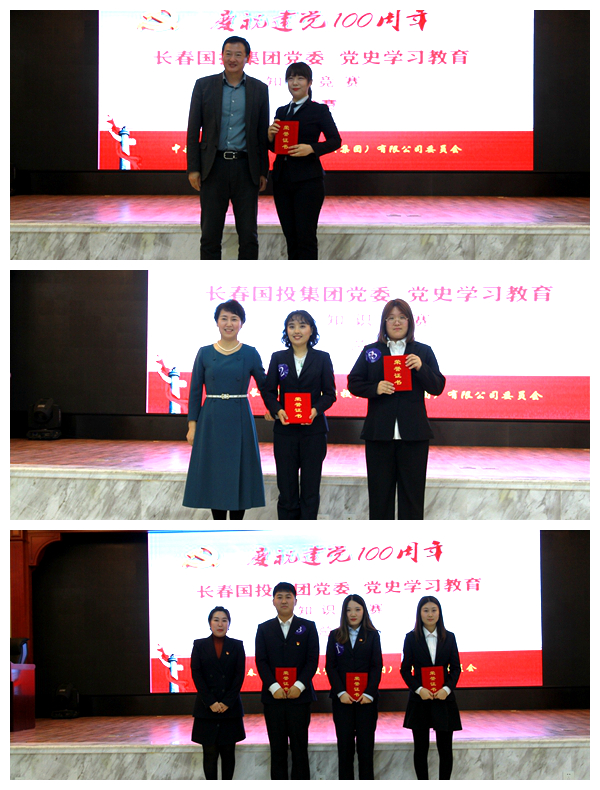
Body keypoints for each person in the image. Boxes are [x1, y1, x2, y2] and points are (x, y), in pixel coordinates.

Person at [347, 298, 445, 520]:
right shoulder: (371, 351)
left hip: (414, 435)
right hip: (379, 434)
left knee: (412, 497)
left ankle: (409, 539)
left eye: (402, 317)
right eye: (391, 318)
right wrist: (375, 388)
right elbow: (353, 382)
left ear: (410, 322)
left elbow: (438, 387)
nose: (397, 322)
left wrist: (421, 367)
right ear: (384, 322)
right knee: (380, 497)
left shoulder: (423, 351)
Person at [183, 299, 267, 519]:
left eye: (234, 319)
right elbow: (194, 391)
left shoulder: (250, 353)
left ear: (241, 323)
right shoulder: (204, 353)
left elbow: (265, 386)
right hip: (211, 418)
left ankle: (237, 526)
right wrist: (192, 426)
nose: (229, 323)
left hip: (240, 417)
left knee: (240, 472)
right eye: (224, 318)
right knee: (215, 473)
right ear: (217, 322)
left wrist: (275, 408)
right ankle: (218, 523)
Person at [186, 36, 269, 259]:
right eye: (228, 54)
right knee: (210, 235)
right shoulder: (204, 86)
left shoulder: (260, 89)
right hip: (213, 168)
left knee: (249, 236)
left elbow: (261, 134)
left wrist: (263, 171)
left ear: (247, 58)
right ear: (221, 56)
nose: (233, 59)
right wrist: (193, 168)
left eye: (238, 54)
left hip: (246, 169)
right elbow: (193, 129)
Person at [263, 310, 336, 519]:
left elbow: (330, 394)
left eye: (302, 326)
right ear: (286, 330)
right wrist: (277, 410)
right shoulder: (278, 357)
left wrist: (315, 410)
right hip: (285, 432)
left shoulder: (322, 358)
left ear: (311, 330)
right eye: (292, 326)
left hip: (314, 432)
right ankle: (287, 533)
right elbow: (269, 391)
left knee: (310, 489)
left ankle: (307, 532)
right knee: (286, 489)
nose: (297, 330)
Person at [267, 62, 342, 259]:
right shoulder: (282, 111)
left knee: (305, 238)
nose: (295, 83)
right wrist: (269, 136)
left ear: (310, 83)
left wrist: (312, 149)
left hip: (308, 182)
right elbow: (276, 148)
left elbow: (335, 140)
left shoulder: (319, 110)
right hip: (282, 181)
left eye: (300, 78)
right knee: (290, 237)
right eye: (291, 78)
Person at [255, 582, 319, 780]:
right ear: (273, 601)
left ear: (295, 601)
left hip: (300, 698)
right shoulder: (264, 629)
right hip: (273, 698)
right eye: (280, 597)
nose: (284, 601)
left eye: (288, 597)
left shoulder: (308, 627)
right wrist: (273, 686)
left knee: (300, 749)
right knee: (277, 750)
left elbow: (312, 660)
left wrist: (299, 686)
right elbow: (261, 661)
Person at [400, 596, 462, 780]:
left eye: (434, 610)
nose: (430, 614)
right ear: (419, 613)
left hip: (444, 699)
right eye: (425, 610)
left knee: (445, 749)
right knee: (420, 749)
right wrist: (419, 689)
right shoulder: (411, 638)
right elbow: (405, 670)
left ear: (439, 612)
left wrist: (446, 689)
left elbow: (455, 668)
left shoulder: (449, 637)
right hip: (420, 700)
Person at [325, 594, 383, 780]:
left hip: (366, 702)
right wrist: (341, 692)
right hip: (343, 702)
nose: (353, 613)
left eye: (357, 609)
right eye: (349, 610)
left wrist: (369, 693)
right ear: (344, 613)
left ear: (364, 611)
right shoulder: (335, 635)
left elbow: (376, 666)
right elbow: (331, 667)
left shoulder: (372, 635)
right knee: (345, 752)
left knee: (366, 752)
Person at [191, 607, 246, 780]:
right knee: (209, 753)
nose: (220, 624)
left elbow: (239, 676)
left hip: (230, 708)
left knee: (228, 753)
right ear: (210, 623)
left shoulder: (237, 645)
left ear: (229, 624)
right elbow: (197, 675)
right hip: (206, 708)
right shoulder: (199, 645)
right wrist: (211, 702)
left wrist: (227, 702)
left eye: (224, 620)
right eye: (216, 620)